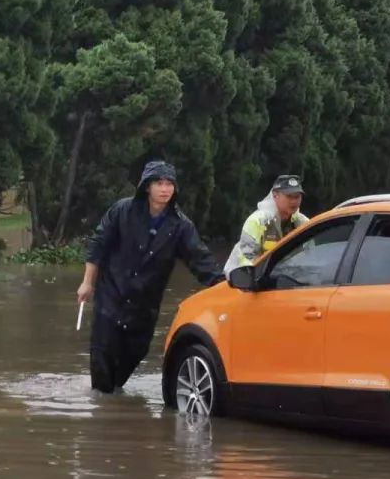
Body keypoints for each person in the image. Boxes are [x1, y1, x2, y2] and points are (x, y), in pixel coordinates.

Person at [77, 160, 224, 394]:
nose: (165, 189)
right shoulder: (122, 211)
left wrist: (225, 287)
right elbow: (98, 244)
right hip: (111, 294)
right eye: (159, 183)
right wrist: (87, 282)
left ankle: (113, 393)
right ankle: (102, 407)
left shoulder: (181, 226)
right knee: (102, 354)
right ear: (147, 187)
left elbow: (200, 259)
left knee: (136, 351)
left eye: (169, 184)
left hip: (145, 302)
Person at [223, 174, 310, 274]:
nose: (294, 201)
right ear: (275, 195)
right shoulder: (257, 221)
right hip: (242, 281)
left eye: (297, 196)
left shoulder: (303, 223)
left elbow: (310, 256)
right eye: (289, 196)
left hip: (286, 281)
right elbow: (246, 259)